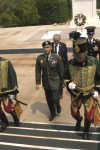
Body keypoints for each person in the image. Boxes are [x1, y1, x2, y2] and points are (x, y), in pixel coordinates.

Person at [64, 31, 100, 140]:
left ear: (86, 53)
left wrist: (97, 89)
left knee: (88, 116)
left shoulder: (94, 62)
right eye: (76, 56)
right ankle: (78, 120)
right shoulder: (70, 63)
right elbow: (65, 77)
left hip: (89, 93)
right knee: (74, 113)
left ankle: (86, 130)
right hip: (76, 93)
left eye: (80, 56)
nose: (77, 58)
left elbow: (99, 77)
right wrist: (69, 84)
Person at [35, 41, 64, 121]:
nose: (46, 49)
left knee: (55, 97)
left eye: (47, 47)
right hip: (46, 82)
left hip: (55, 81)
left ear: (51, 48)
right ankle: (52, 113)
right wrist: (38, 82)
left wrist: (63, 82)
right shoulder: (40, 58)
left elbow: (61, 70)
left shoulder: (56, 57)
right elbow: (37, 70)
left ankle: (57, 105)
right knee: (48, 99)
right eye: (44, 47)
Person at [0, 57, 19, 131]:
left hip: (6, 91)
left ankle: (15, 117)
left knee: (8, 109)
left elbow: (12, 75)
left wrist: (14, 89)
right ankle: (4, 122)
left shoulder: (6, 62)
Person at [51, 34, 68, 99]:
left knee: (61, 79)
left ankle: (60, 93)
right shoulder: (50, 45)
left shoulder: (63, 45)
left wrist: (66, 66)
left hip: (61, 65)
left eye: (57, 41)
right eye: (54, 40)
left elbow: (65, 57)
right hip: (53, 66)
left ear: (59, 40)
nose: (56, 42)